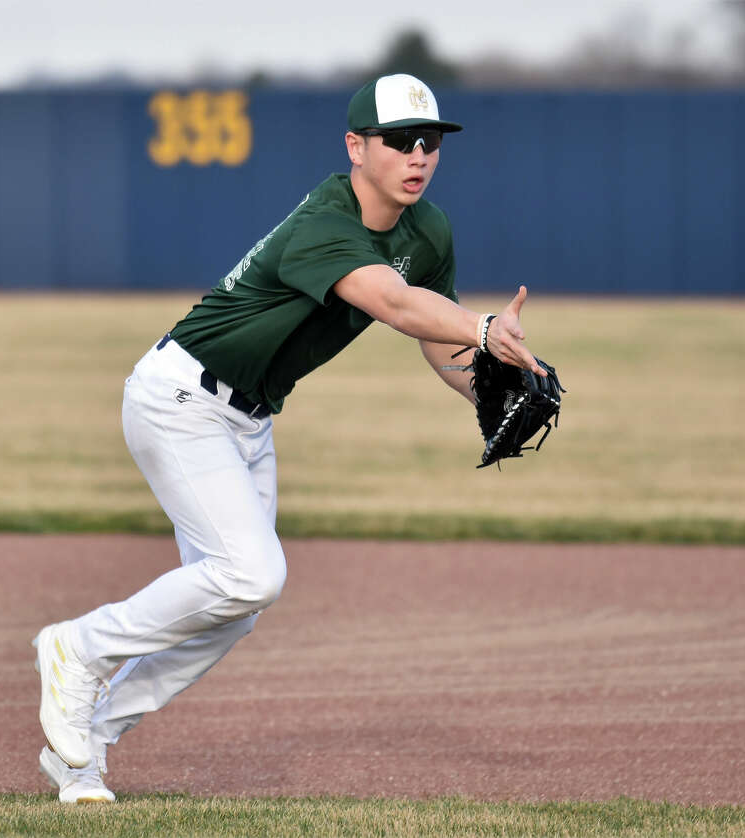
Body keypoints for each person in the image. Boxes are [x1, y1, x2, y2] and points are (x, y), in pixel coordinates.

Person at [32, 73, 546, 803]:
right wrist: (485, 328)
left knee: (237, 608)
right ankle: (76, 646)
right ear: (355, 146)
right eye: (399, 141)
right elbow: (394, 304)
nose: (418, 155)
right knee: (251, 574)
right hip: (181, 397)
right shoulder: (325, 223)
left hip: (249, 416)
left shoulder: (428, 229)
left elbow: (436, 336)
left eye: (429, 140)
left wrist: (488, 385)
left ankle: (84, 749)